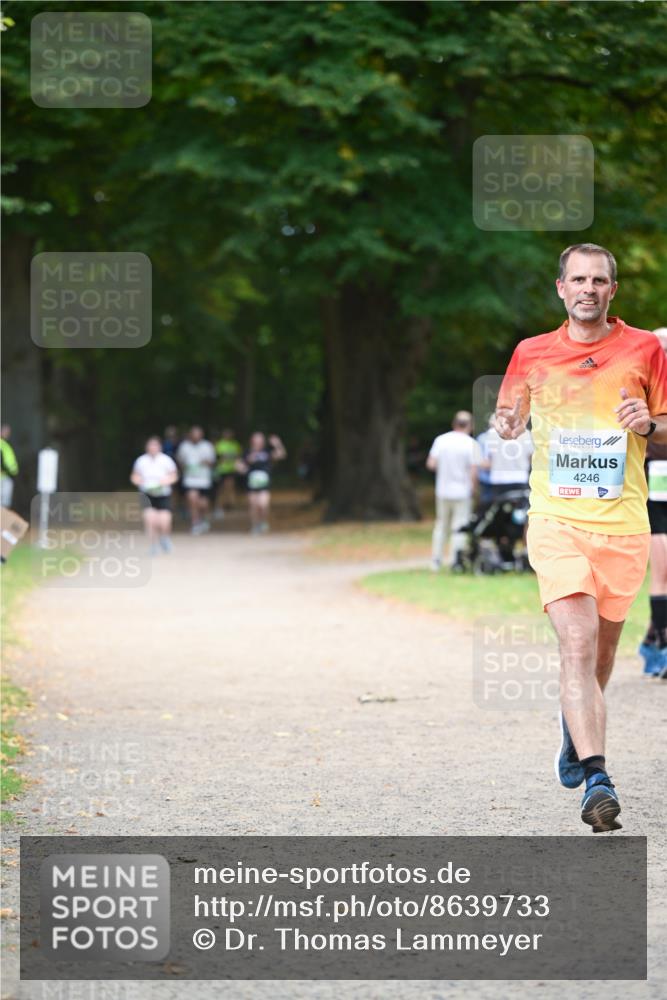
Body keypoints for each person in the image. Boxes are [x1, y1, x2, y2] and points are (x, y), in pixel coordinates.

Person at [495, 243, 667, 833]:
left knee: (600, 657)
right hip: (555, 520)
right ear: (561, 288)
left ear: (612, 290)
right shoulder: (531, 353)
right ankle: (598, 777)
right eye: (578, 280)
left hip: (623, 525)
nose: (588, 289)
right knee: (576, 641)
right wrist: (507, 424)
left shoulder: (645, 348)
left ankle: (575, 730)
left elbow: (666, 423)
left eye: (599, 280)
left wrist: (649, 424)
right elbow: (509, 419)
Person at [638, 328, 667, 679]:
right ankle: (661, 648)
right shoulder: (638, 386)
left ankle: (649, 641)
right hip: (651, 483)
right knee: (662, 570)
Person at [426, 411, 481, 571]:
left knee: (441, 525)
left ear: (454, 423)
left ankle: (436, 560)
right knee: (460, 526)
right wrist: (474, 489)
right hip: (462, 492)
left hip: (442, 491)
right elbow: (473, 470)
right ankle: (455, 560)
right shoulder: (471, 444)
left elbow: (431, 463)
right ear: (470, 426)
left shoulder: (441, 440)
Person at [130, 436, 179, 554]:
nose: (153, 448)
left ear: (159, 447)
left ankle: (164, 538)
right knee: (150, 520)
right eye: (150, 445)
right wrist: (138, 481)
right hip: (147, 494)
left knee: (164, 520)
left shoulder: (166, 460)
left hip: (163, 494)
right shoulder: (141, 460)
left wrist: (166, 481)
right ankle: (153, 545)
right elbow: (135, 476)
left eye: (155, 445)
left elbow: (174, 476)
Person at [237, 432, 286, 534]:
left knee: (263, 504)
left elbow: (281, 455)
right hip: (251, 482)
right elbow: (239, 465)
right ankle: (255, 525)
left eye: (260, 440)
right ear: (252, 441)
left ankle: (263, 521)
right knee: (253, 505)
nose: (258, 442)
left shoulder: (267, 452)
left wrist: (277, 444)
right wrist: (243, 466)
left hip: (264, 483)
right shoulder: (247, 452)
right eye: (256, 439)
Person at [176, 426, 216, 535]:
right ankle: (195, 522)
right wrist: (185, 467)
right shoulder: (184, 446)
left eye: (198, 434)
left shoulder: (207, 446)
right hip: (190, 479)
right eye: (193, 434)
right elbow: (179, 461)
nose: (195, 436)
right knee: (192, 499)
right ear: (190, 435)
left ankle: (203, 519)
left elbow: (213, 462)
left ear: (201, 435)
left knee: (203, 504)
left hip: (204, 480)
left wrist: (205, 462)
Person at [214, 428, 242, 518]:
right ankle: (219, 507)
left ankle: (230, 505)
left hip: (231, 469)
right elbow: (217, 457)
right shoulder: (220, 444)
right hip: (222, 470)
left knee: (230, 487)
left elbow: (238, 457)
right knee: (221, 489)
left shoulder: (235, 444)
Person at [0, 425, 18, 508]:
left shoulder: (5, 445)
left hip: (5, 476)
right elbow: (9, 464)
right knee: (4, 504)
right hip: (4, 477)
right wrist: (13, 471)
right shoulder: (4, 445)